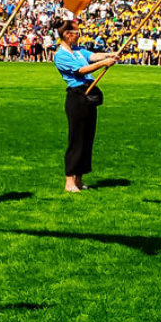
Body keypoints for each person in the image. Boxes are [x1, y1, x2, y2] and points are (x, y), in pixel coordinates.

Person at [53, 18, 117, 192]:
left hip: (89, 95)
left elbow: (92, 56)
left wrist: (109, 55)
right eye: (76, 33)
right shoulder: (60, 55)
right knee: (77, 139)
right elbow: (80, 70)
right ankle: (69, 181)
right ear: (67, 35)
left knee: (87, 138)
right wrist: (103, 64)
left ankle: (79, 179)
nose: (78, 36)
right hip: (77, 97)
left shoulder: (78, 51)